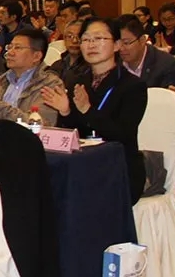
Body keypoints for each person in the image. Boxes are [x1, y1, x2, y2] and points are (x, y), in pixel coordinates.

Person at [41, 17, 148, 205]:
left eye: (98, 38)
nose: (91, 45)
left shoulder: (132, 86)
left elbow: (122, 134)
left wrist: (87, 110)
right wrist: (65, 112)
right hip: (82, 162)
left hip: (117, 167)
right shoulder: (76, 80)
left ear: (116, 45)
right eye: (86, 39)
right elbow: (74, 134)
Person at [117, 16, 175, 88]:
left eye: (126, 43)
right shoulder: (113, 62)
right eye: (117, 43)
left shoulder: (167, 65)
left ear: (142, 40)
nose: (120, 48)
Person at [48, 19, 88, 85]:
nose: (74, 41)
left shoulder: (90, 68)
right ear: (64, 39)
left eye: (79, 36)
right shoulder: (56, 65)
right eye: (70, 36)